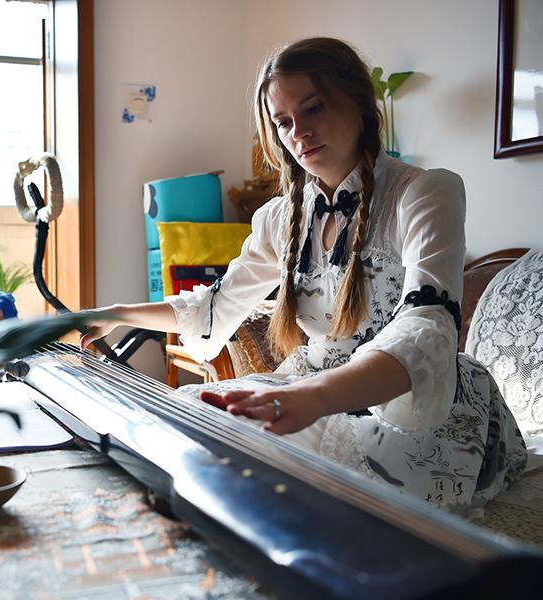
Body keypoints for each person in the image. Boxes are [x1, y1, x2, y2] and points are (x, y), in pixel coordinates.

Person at [80, 37, 526, 512]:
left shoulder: (424, 194)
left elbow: (427, 328)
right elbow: (215, 305)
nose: (299, 134)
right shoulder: (281, 218)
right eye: (284, 123)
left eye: (313, 109)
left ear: (359, 101)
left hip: (410, 404)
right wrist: (116, 312)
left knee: (290, 481)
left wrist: (313, 398)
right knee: (186, 420)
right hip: (311, 385)